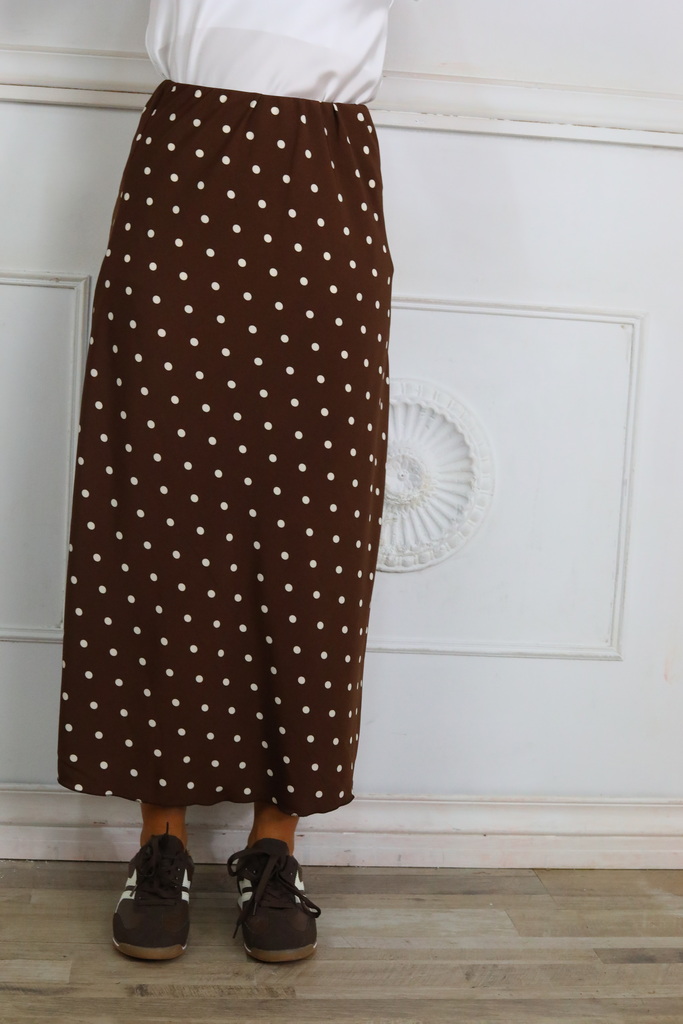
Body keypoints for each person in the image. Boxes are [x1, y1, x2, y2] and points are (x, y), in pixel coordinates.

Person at [57, 0, 394, 964]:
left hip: (322, 164)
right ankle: (160, 838)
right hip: (187, 153)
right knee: (156, 497)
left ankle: (274, 844)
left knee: (316, 511)